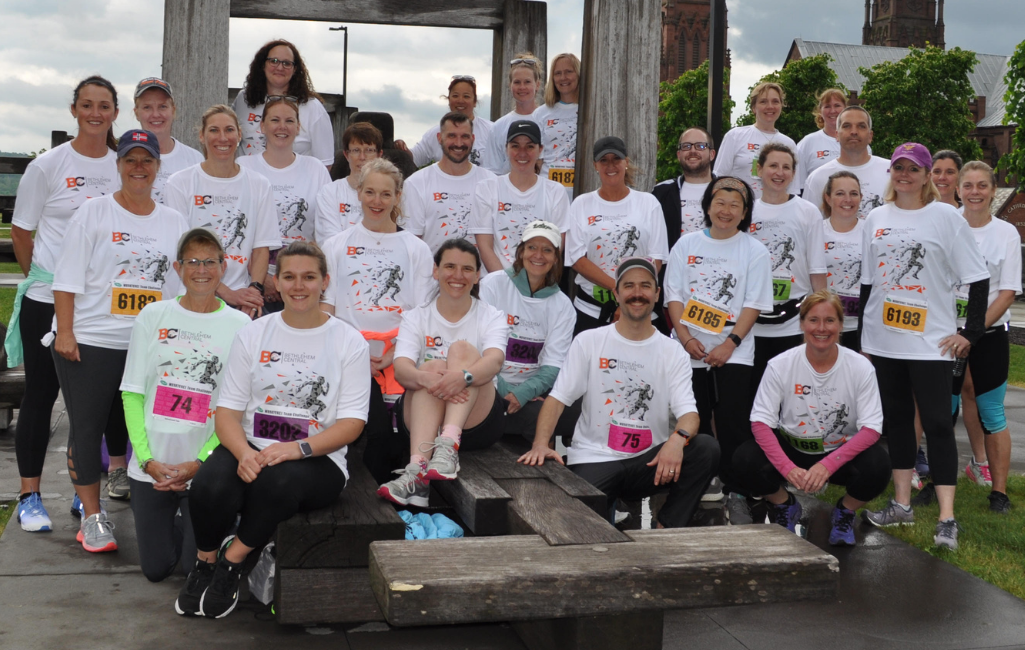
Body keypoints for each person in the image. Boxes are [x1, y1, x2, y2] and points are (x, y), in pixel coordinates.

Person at [176, 241, 370, 618]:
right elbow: (227, 412)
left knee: (274, 483)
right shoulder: (253, 333)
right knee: (208, 485)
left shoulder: (349, 341)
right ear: (276, 283)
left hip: (317, 457)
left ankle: (233, 562)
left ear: (325, 282)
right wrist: (244, 452)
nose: (299, 286)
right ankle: (205, 562)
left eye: (309, 277)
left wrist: (297, 449)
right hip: (252, 443)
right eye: (289, 277)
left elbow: (351, 424)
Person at [51, 129, 189, 552]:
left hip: (151, 345)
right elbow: (66, 279)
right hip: (93, 340)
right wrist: (67, 331)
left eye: (146, 160)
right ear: (119, 166)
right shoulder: (94, 213)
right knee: (88, 429)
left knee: (170, 422)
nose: (139, 167)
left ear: (158, 167)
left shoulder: (174, 221)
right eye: (130, 159)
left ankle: (176, 499)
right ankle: (92, 518)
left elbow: (177, 290)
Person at [517, 257, 720, 528]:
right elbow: (557, 399)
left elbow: (689, 415)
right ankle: (607, 513)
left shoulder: (672, 351)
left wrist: (677, 440)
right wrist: (540, 444)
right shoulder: (589, 341)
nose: (637, 293)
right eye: (629, 286)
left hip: (650, 463)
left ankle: (667, 527)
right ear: (617, 293)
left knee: (706, 448)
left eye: (645, 286)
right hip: (595, 458)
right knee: (577, 526)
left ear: (657, 294)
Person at [859, 143, 990, 550]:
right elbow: (867, 282)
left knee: (936, 423)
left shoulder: (946, 218)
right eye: (898, 167)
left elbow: (978, 278)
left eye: (913, 169)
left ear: (928, 175)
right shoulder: (876, 217)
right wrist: (865, 338)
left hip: (930, 341)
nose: (904, 175)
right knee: (897, 421)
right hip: (883, 340)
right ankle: (901, 504)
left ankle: (947, 517)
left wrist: (969, 334)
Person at [10, 76, 122, 532]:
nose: (96, 113)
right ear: (74, 110)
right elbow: (21, 231)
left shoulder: (124, 166)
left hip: (100, 307)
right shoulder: (48, 166)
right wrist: (44, 281)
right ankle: (29, 495)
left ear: (116, 112)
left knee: (91, 406)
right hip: (47, 299)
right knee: (40, 396)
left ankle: (84, 496)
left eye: (105, 106)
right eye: (87, 105)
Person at [120, 229, 249, 581]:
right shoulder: (152, 315)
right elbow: (131, 392)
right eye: (193, 261)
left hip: (204, 467)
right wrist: (146, 460)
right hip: (152, 468)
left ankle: (205, 524)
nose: (201, 269)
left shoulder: (241, 325)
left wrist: (200, 462)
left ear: (223, 268)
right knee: (156, 569)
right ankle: (177, 522)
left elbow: (236, 408)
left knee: (196, 566)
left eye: (210, 261)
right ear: (178, 268)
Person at [734, 291, 890, 545]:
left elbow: (872, 429)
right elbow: (761, 423)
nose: (821, 328)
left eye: (830, 320)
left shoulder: (860, 367)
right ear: (802, 323)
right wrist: (787, 468)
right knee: (744, 459)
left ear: (840, 325)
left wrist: (827, 466)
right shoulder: (780, 364)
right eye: (813, 320)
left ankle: (845, 512)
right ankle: (784, 505)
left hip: (839, 452)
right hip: (793, 448)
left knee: (879, 466)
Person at [319, 158, 435, 483]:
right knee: (374, 433)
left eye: (386, 194)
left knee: (399, 437)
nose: (377, 201)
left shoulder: (417, 249)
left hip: (400, 356)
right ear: (358, 192)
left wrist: (394, 355)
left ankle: (401, 506)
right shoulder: (336, 246)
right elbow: (327, 310)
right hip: (353, 357)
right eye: (370, 192)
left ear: (398, 197)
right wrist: (356, 355)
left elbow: (422, 314)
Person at [664, 176, 772, 519]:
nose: (725, 211)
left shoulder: (754, 250)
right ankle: (702, 479)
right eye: (719, 203)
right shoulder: (686, 244)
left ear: (744, 213)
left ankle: (737, 487)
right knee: (692, 415)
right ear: (707, 206)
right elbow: (674, 296)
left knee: (733, 421)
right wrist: (687, 339)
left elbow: (753, 304)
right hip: (688, 343)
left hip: (734, 346)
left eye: (734, 205)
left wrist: (730, 343)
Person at [377, 239, 509, 507]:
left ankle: (448, 445)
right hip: (421, 421)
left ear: (477, 275)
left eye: (466, 269)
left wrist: (463, 378)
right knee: (430, 368)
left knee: (462, 351)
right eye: (449, 266)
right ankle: (417, 474)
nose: (458, 276)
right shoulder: (416, 317)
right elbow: (402, 369)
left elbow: (495, 361)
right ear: (436, 271)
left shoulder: (491, 315)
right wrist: (431, 380)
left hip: (476, 422)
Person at [164, 105, 281, 318]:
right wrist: (227, 293)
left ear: (239, 135)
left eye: (229, 130)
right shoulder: (179, 183)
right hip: (195, 297)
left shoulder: (259, 184)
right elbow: (181, 251)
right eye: (214, 130)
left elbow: (261, 247)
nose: (222, 138)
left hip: (243, 300)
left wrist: (253, 292)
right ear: (201, 136)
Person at [952, 161, 1021, 513]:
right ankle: (936, 481)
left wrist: (972, 332)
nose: (974, 192)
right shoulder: (946, 226)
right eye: (968, 185)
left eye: (982, 185)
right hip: (946, 335)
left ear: (994, 191)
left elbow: (1008, 292)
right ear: (958, 189)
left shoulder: (1006, 233)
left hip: (990, 334)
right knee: (942, 410)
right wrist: (956, 333)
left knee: (991, 412)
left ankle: (999, 492)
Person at [479, 220, 576, 440]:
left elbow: (553, 366)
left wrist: (523, 393)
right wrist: (504, 392)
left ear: (556, 258)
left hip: (529, 394)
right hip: (489, 384)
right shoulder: (492, 285)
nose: (538, 255)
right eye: (532, 247)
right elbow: (476, 347)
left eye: (547, 250)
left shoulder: (563, 305)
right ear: (521, 252)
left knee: (567, 413)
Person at [566, 136, 669, 333]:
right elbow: (577, 259)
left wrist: (631, 297)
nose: (610, 165)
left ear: (626, 163)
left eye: (616, 159)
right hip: (591, 309)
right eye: (604, 160)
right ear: (595, 165)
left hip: (638, 307)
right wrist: (622, 290)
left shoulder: (648, 203)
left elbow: (656, 259)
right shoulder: (581, 204)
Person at [238, 96, 331, 310]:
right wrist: (262, 280)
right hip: (254, 286)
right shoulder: (244, 166)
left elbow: (325, 232)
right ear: (262, 126)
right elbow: (240, 230)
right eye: (275, 120)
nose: (282, 127)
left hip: (302, 283)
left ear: (298, 127)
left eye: (289, 121)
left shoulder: (315, 169)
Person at [748, 143, 827, 392]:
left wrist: (818, 318)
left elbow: (817, 269)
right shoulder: (745, 212)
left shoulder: (808, 211)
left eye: (786, 167)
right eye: (772, 165)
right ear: (759, 170)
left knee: (791, 392)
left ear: (793, 173)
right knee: (753, 393)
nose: (779, 173)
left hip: (793, 320)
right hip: (751, 321)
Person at [472, 120, 571, 273]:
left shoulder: (556, 192)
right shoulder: (486, 189)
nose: (522, 153)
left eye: (530, 146)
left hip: (539, 284)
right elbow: (485, 247)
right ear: (506, 149)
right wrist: (506, 284)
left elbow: (555, 247)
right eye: (515, 146)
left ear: (540, 150)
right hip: (496, 285)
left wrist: (532, 283)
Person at [404, 112, 497, 254]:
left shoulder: (491, 182)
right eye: (452, 136)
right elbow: (410, 245)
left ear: (473, 139)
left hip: (481, 275)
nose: (458, 143)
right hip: (432, 274)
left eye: (464, 136)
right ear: (439, 138)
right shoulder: (416, 183)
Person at [232, 39, 334, 167]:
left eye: (286, 63)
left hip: (294, 185)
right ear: (262, 65)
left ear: (295, 69)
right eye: (273, 61)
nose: (280, 67)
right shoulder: (243, 99)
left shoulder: (313, 107)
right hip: (248, 184)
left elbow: (325, 164)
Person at [803, 106, 891, 219]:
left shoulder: (891, 172)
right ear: (836, 135)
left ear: (870, 136)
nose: (854, 132)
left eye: (861, 126)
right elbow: (808, 226)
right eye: (847, 126)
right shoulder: (817, 178)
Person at [713, 82, 796, 199]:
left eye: (775, 101)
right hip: (741, 212)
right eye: (763, 101)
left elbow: (793, 189)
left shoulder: (789, 144)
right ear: (753, 108)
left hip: (775, 212)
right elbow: (719, 178)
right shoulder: (735, 136)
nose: (770, 106)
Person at [396, 76, 493, 168]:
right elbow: (413, 158)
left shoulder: (492, 130)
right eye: (455, 96)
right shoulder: (435, 133)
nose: (460, 100)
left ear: (475, 101)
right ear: (449, 99)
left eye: (466, 96)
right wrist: (401, 148)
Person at [133, 77, 204, 204]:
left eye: (162, 106)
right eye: (147, 107)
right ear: (137, 113)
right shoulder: (123, 159)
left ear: (173, 111)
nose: (155, 114)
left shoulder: (194, 160)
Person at [315, 122, 383, 242]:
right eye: (356, 150)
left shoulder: (389, 195)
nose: (362, 157)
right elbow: (329, 242)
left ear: (379, 155)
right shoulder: (329, 193)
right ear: (346, 155)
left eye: (369, 150)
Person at [820, 171, 865, 350]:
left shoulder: (871, 231)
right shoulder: (815, 231)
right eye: (840, 193)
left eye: (853, 194)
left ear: (861, 198)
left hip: (859, 328)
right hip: (824, 325)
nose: (848, 199)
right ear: (828, 198)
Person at [653, 127, 717, 249]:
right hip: (675, 266)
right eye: (686, 146)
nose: (693, 151)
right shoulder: (661, 193)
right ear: (679, 155)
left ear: (712, 154)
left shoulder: (727, 190)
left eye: (700, 146)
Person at [483, 53, 544, 175]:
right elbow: (491, 171)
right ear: (510, 85)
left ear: (537, 85)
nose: (522, 87)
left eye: (527, 82)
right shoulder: (498, 127)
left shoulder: (548, 120)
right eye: (517, 82)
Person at [533, 53, 581, 200]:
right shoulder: (540, 114)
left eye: (568, 72)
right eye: (558, 73)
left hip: (583, 190)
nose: (563, 78)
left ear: (578, 74)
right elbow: (536, 161)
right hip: (549, 192)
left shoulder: (592, 111)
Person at [794, 88, 846, 194]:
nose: (832, 111)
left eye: (837, 105)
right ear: (820, 111)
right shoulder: (807, 143)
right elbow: (798, 186)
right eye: (827, 106)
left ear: (845, 109)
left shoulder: (858, 143)